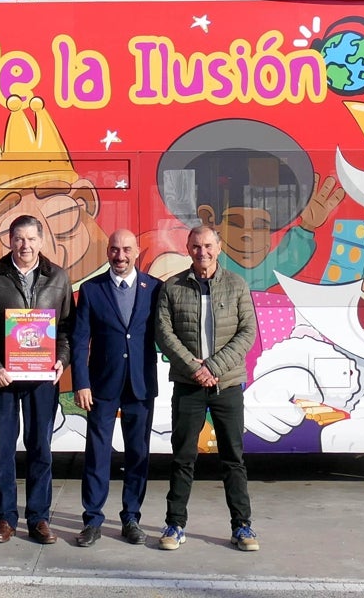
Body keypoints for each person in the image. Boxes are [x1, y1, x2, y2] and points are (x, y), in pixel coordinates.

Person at [154, 225, 260, 553]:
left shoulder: (236, 285)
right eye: (197, 246)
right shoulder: (173, 287)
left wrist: (212, 368)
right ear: (188, 249)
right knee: (183, 456)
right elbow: (163, 331)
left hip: (226, 384)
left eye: (208, 246)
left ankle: (242, 526)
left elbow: (247, 332)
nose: (203, 252)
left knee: (233, 458)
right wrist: (194, 368)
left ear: (219, 247)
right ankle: (175, 524)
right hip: (189, 385)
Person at [0, 214, 73, 545]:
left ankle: (39, 519)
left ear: (42, 241)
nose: (25, 245)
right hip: (2, 379)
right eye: (18, 239)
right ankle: (4, 519)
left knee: (40, 448)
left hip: (42, 380)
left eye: (31, 239)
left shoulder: (58, 277)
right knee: (2, 450)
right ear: (9, 241)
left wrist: (61, 359)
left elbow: (67, 329)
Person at [71, 229, 161, 547]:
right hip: (101, 386)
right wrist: (81, 382)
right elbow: (80, 341)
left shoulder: (155, 288)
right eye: (113, 249)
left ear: (137, 251)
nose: (119, 256)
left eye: (126, 249)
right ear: (106, 252)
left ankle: (131, 518)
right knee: (97, 454)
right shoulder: (91, 289)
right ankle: (92, 520)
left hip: (140, 385)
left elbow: (166, 333)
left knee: (138, 455)